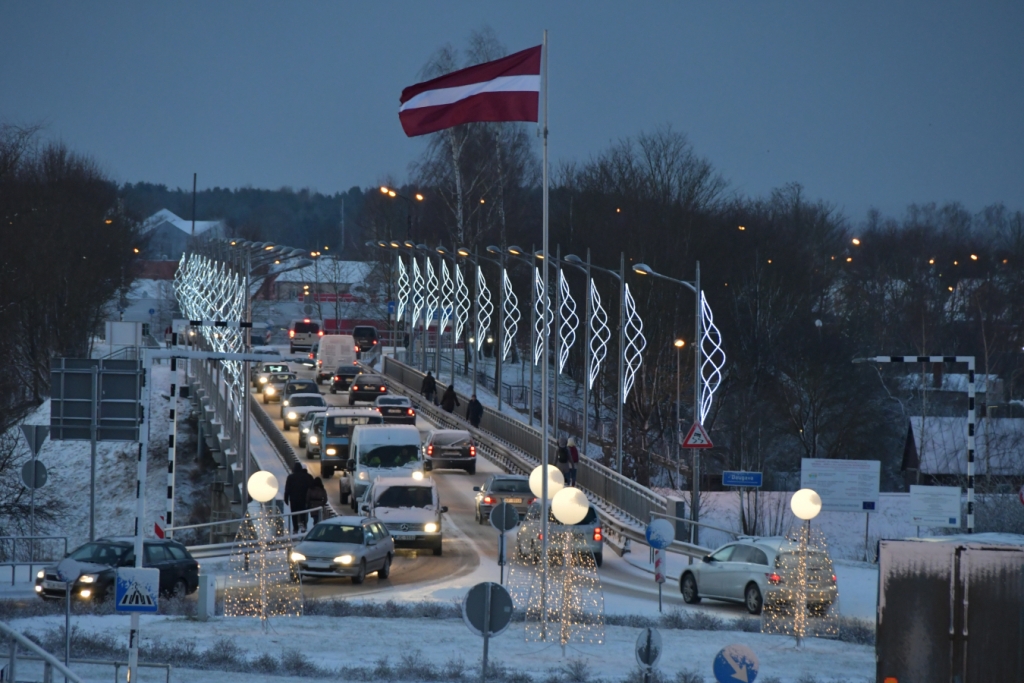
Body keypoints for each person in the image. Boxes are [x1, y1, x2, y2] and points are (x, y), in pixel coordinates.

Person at [283, 463, 313, 534]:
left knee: (294, 514)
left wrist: (286, 499)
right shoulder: (306, 477)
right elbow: (311, 487)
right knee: (303, 512)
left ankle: (295, 528)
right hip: (303, 498)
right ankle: (303, 525)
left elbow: (287, 489)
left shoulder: (290, 477)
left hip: (293, 499)